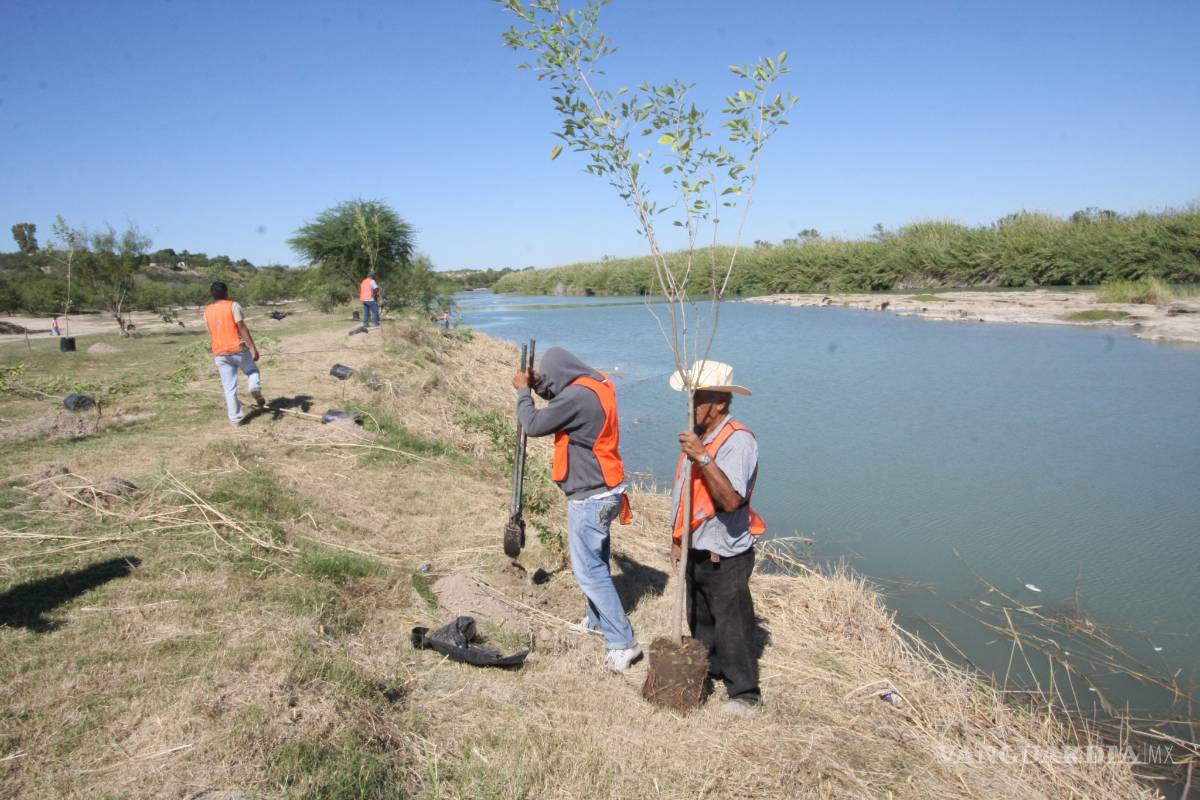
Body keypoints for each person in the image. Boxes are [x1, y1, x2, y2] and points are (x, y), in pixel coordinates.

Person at [513, 347, 642, 672]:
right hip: (607, 488)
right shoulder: (595, 386)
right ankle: (598, 622)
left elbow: (533, 423)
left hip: (591, 497)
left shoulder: (576, 399)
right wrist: (538, 384)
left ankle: (623, 642)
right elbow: (560, 397)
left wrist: (523, 392)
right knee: (597, 561)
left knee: (590, 571)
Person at [669, 360, 766, 715]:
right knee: (701, 620)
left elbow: (731, 500)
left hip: (726, 554)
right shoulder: (702, 437)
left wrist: (703, 456)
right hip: (698, 546)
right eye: (691, 398)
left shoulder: (737, 441)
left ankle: (745, 694)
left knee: (733, 626)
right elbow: (686, 493)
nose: (691, 406)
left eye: (698, 399)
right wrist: (678, 540)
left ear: (720, 402)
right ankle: (707, 673)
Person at [204, 281, 265, 426]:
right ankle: (254, 387)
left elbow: (211, 332)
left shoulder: (207, 310)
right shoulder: (233, 305)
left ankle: (236, 419)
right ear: (226, 293)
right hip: (238, 349)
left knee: (229, 387)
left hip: (220, 352)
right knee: (252, 370)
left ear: (213, 295)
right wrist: (253, 347)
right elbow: (242, 327)